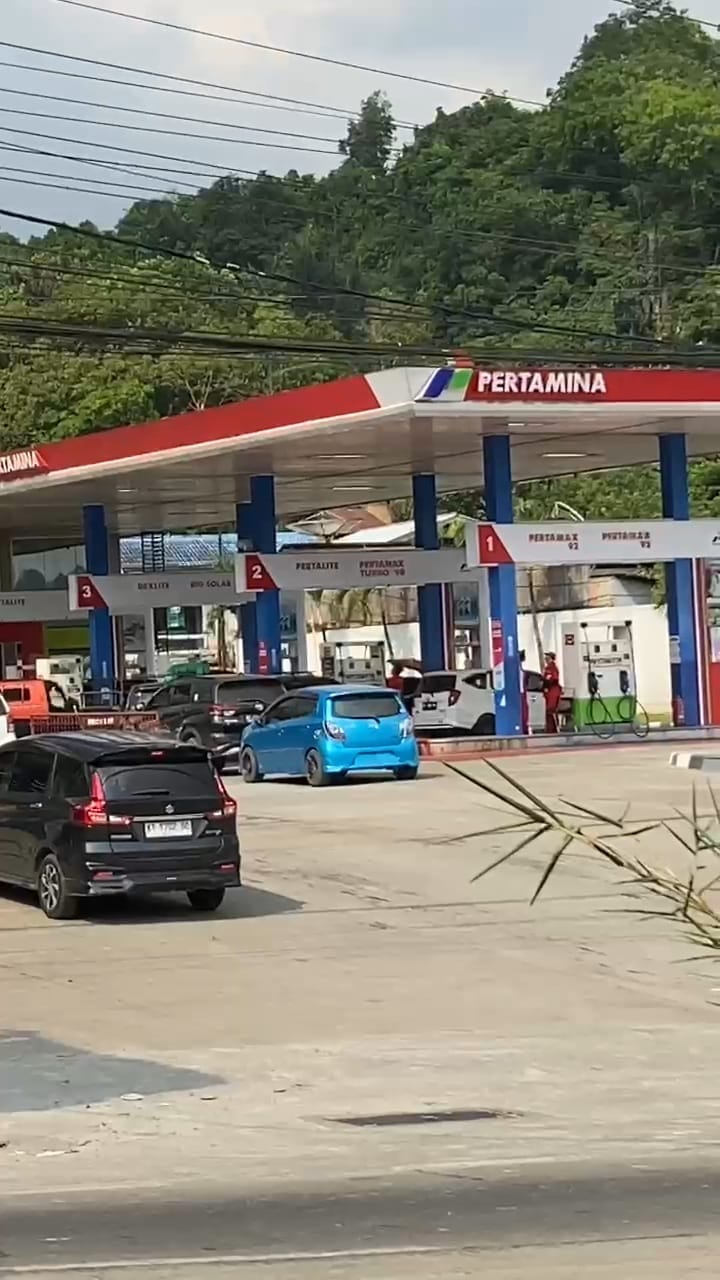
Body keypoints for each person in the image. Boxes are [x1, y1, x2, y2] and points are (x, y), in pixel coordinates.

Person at [542, 651, 562, 734]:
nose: (545, 659)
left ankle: (552, 729)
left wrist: (546, 686)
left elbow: (551, 679)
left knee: (550, 710)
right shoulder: (549, 667)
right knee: (550, 711)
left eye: (547, 657)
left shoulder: (551, 668)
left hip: (552, 692)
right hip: (551, 691)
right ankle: (551, 728)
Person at [518, 650, 529, 735]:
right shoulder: (518, 669)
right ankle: (523, 727)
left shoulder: (519, 668)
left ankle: (524, 727)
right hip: (520, 693)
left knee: (523, 711)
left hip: (521, 692)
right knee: (523, 711)